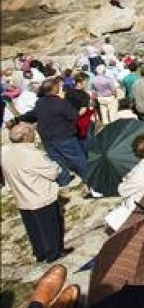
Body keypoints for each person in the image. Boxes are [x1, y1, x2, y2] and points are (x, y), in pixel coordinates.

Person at [0, 123, 68, 263]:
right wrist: (57, 166)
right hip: (40, 196)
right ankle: (53, 254)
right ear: (25, 136)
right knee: (50, 228)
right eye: (31, 131)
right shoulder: (32, 154)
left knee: (33, 230)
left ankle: (40, 253)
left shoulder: (4, 151)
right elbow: (53, 172)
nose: (34, 133)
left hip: (21, 197)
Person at [18, 78, 87, 188]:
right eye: (57, 86)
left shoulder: (40, 103)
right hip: (63, 135)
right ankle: (87, 176)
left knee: (56, 159)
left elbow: (32, 114)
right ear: (54, 88)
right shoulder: (61, 103)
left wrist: (18, 119)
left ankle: (64, 179)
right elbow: (74, 115)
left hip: (47, 136)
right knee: (77, 157)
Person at [104, 134, 144, 231]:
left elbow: (123, 191)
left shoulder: (140, 172)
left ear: (136, 153)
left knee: (116, 216)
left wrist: (126, 179)